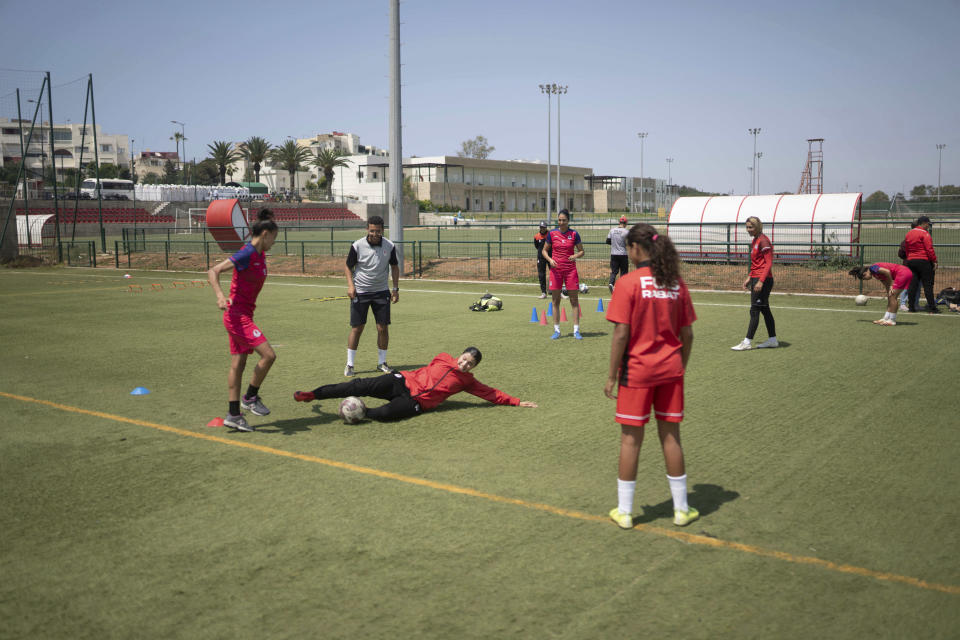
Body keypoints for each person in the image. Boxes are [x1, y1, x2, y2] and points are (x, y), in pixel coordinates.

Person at [604, 223, 698, 529]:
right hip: (671, 371)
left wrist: (611, 376)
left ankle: (625, 512)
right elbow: (688, 334)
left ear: (634, 248)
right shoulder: (676, 283)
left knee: (631, 441)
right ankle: (682, 510)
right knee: (671, 437)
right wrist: (679, 364)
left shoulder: (628, 283)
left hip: (637, 372)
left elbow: (621, 333)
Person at [293, 347, 538, 421]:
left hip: (415, 402)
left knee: (387, 415)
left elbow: (491, 394)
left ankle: (361, 412)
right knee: (358, 385)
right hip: (401, 381)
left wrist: (517, 402)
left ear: (473, 368)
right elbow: (427, 369)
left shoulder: (468, 382)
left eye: (470, 364)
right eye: (465, 359)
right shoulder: (442, 358)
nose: (464, 365)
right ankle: (313, 395)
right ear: (459, 355)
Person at [207, 209, 279, 432]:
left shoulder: (260, 254)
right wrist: (220, 295)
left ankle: (234, 414)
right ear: (265, 234)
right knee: (269, 355)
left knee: (238, 364)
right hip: (237, 316)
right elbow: (214, 271)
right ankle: (250, 397)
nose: (274, 244)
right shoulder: (246, 253)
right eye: (273, 239)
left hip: (245, 314)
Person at [344, 215, 400, 377]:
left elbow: (394, 267)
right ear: (367, 229)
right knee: (357, 328)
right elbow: (348, 267)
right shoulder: (357, 246)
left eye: (378, 231)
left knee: (382, 328)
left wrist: (395, 289)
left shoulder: (389, 246)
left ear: (383, 230)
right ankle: (350, 364)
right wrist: (350, 286)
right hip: (360, 292)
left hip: (381, 292)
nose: (375, 234)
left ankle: (382, 363)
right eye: (372, 230)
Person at [731, 216, 778, 350]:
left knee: (754, 310)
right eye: (746, 227)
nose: (748, 230)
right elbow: (757, 263)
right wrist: (749, 277)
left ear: (757, 227)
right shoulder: (755, 240)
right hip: (756, 278)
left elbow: (768, 263)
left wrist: (760, 281)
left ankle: (747, 342)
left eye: (750, 227)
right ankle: (773, 340)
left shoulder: (763, 241)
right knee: (764, 309)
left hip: (763, 280)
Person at [543, 209, 585, 340]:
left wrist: (575, 255)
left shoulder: (574, 234)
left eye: (564, 220)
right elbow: (544, 251)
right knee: (555, 301)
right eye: (559, 220)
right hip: (556, 271)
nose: (561, 222)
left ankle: (576, 330)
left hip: (570, 271)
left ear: (568, 221)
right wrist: (550, 260)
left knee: (574, 301)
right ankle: (557, 330)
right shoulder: (552, 234)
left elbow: (582, 251)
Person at [848, 262, 914, 326]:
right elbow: (886, 282)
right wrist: (888, 291)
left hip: (903, 273)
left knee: (893, 297)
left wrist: (891, 285)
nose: (866, 280)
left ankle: (892, 320)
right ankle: (886, 318)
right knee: (890, 296)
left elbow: (887, 272)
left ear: (865, 273)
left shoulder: (873, 268)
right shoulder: (875, 274)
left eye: (865, 279)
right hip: (904, 273)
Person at [903, 216, 940, 314]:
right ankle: (932, 308)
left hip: (911, 261)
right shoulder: (925, 233)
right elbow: (929, 249)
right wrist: (935, 261)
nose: (928, 226)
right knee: (928, 285)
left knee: (912, 285)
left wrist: (909, 258)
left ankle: (911, 307)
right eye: (928, 224)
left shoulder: (909, 233)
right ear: (924, 223)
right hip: (924, 261)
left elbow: (906, 248)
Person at [606, 215, 630, 293]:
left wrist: (615, 244)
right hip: (623, 254)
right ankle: (622, 287)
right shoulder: (626, 231)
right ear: (625, 223)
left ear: (619, 222)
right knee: (623, 272)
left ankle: (611, 283)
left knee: (614, 271)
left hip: (614, 254)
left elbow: (608, 241)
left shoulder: (612, 230)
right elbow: (629, 242)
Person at [533, 221, 550, 299]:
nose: (542, 229)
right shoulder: (536, 236)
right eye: (541, 227)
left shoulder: (550, 235)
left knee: (555, 273)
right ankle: (543, 292)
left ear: (546, 227)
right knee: (541, 275)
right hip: (541, 258)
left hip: (550, 257)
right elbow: (537, 246)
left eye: (543, 227)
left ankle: (558, 292)